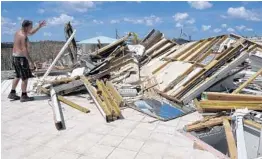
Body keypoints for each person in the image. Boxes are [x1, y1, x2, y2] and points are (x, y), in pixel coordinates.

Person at [8, 20, 46, 102]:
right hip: (21, 58)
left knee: (18, 75)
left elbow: (31, 33)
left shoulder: (18, 32)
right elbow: (24, 50)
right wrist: (31, 62)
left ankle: (12, 93)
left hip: (15, 57)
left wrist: (39, 26)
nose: (31, 28)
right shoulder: (24, 36)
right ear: (26, 27)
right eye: (30, 27)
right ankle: (24, 96)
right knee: (25, 78)